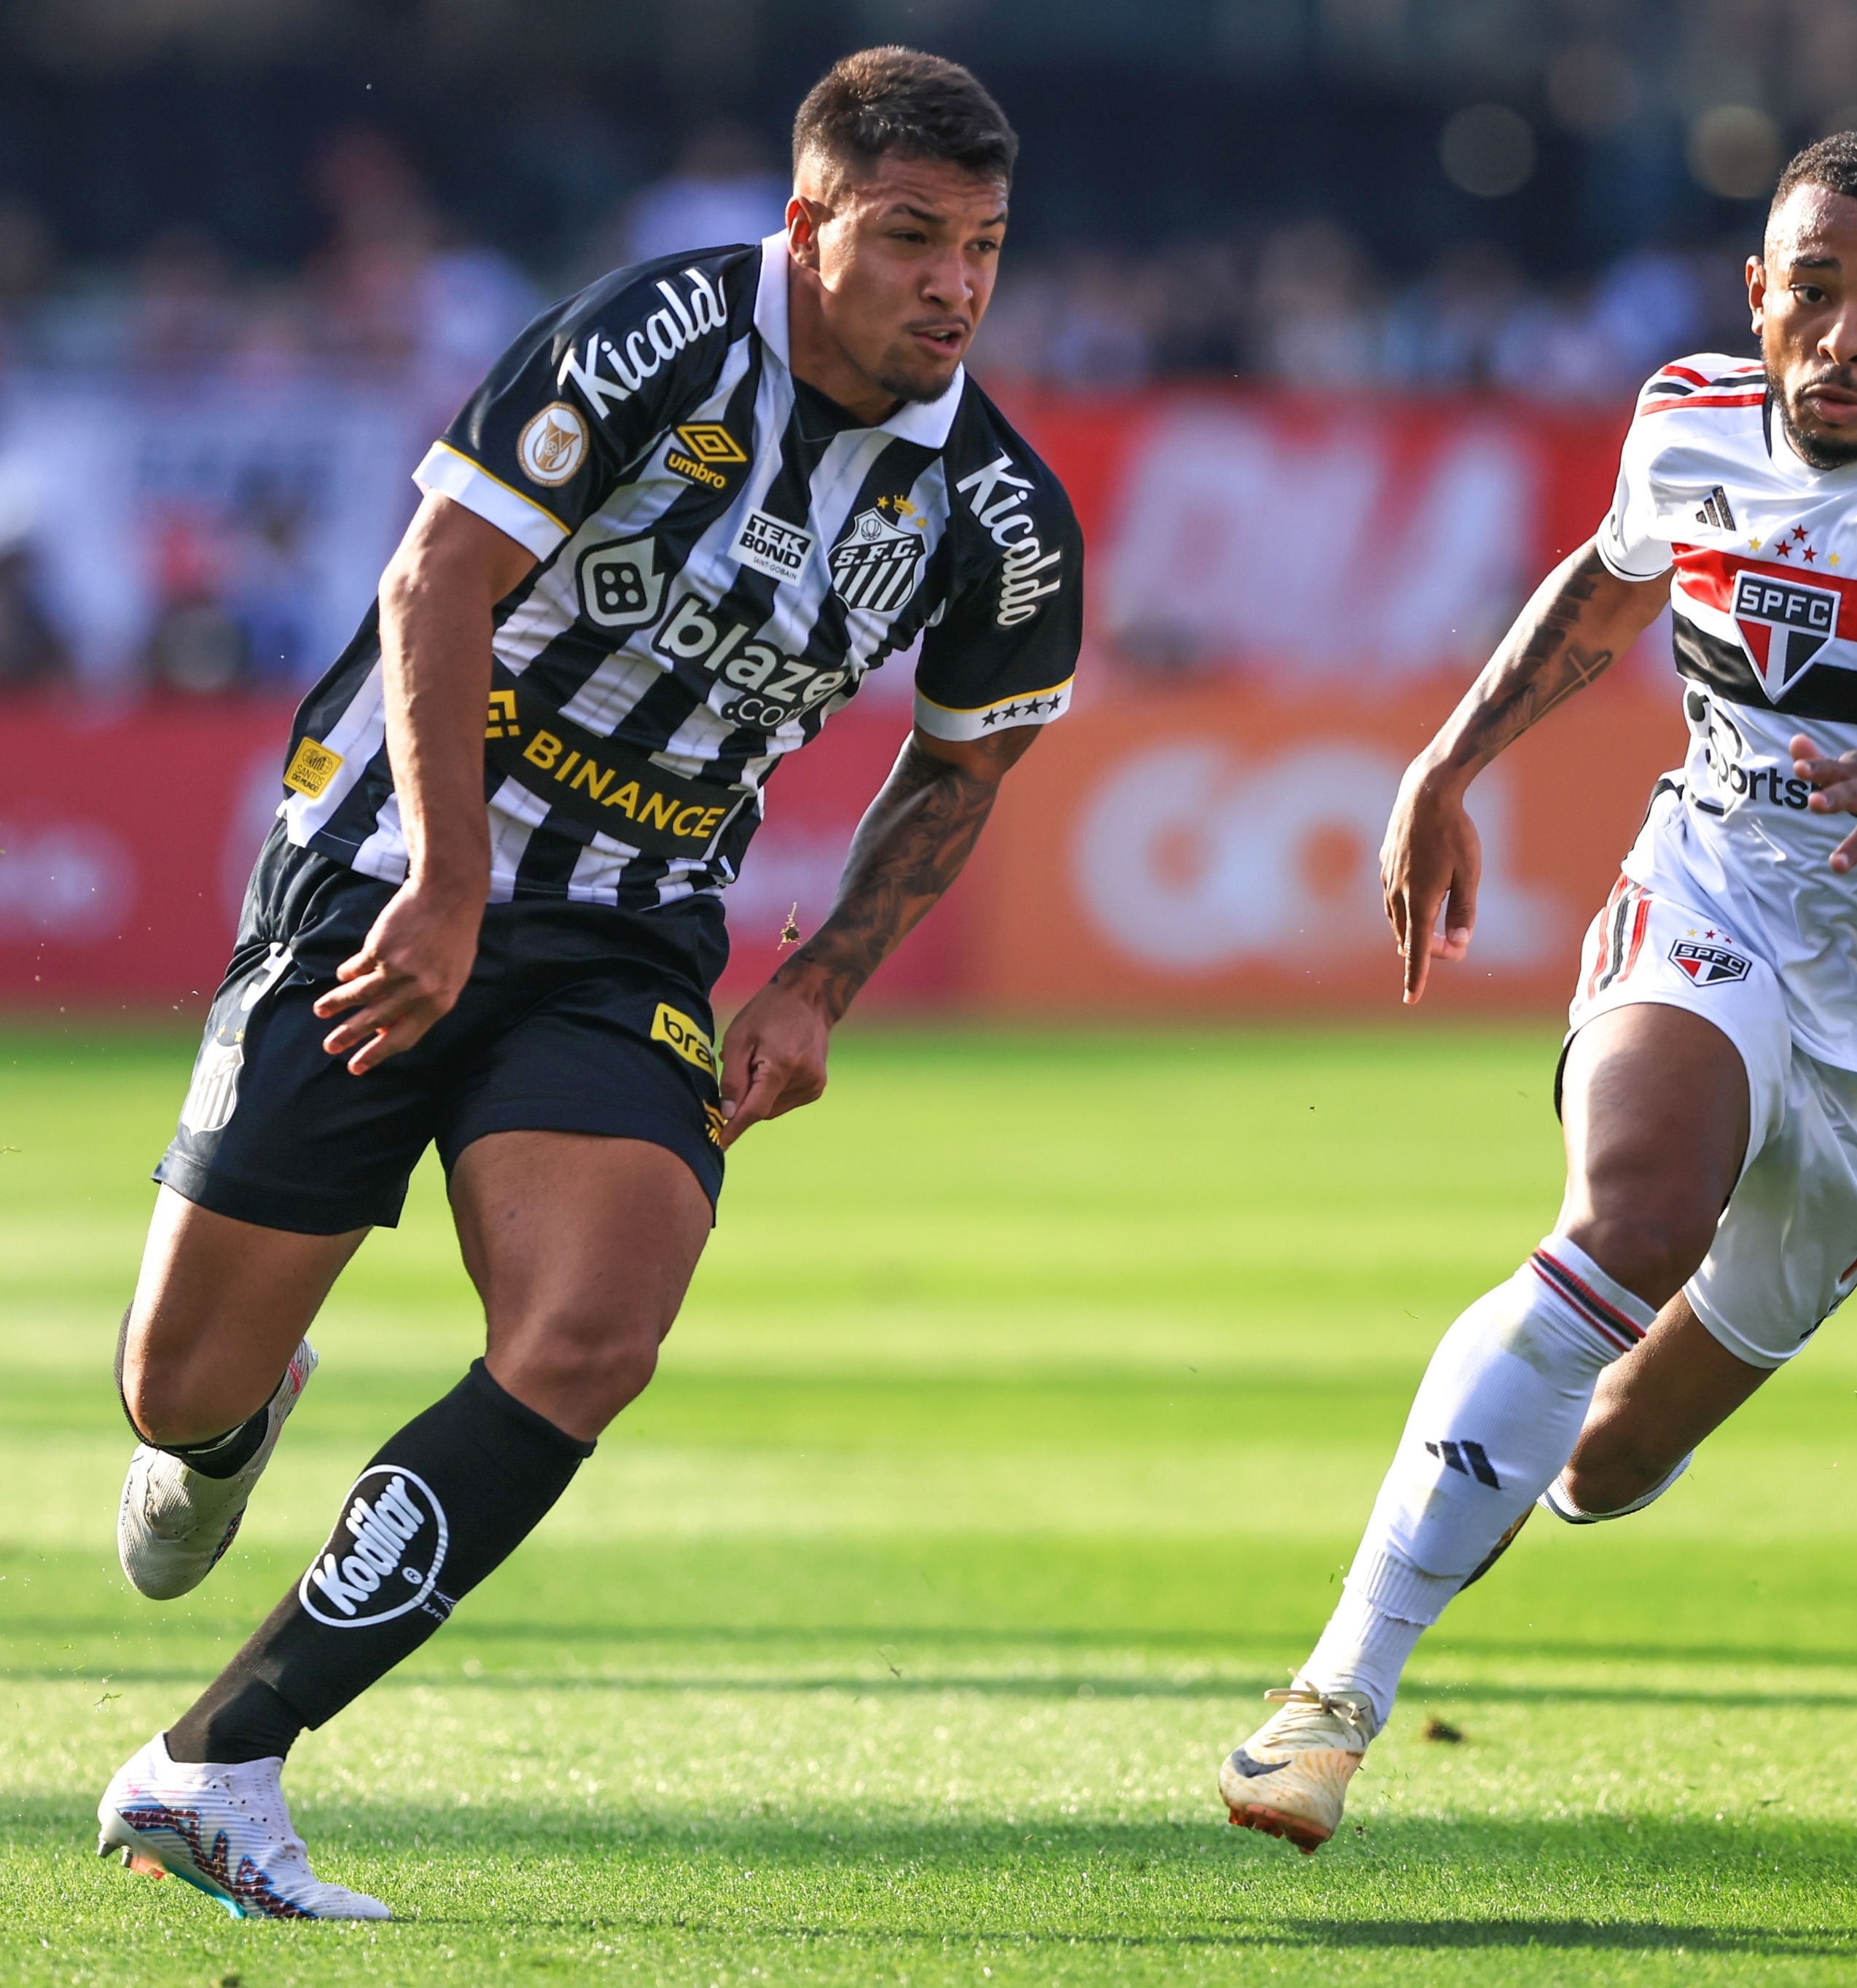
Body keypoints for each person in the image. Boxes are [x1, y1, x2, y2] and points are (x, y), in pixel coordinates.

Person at [94, 46, 1080, 1919]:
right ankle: (227, 1419)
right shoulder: (666, 339)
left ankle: (222, 1758)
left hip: (628, 934)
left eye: (984, 248)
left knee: (593, 1330)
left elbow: (966, 760)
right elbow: (435, 580)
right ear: (809, 230)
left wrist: (816, 989)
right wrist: (452, 886)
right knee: (174, 1380)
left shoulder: (1001, 517)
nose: (953, 284)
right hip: (389, 872)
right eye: (908, 239)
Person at [1217, 128, 1857, 1852]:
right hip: (1717, 886)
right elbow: (1603, 583)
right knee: (1629, 1215)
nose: (1846, 336)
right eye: (1814, 290)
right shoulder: (1691, 420)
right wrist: (1446, 759)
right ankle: (1331, 1691)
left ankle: (1587, 1434)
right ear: (1759, 292)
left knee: (1606, 1460)